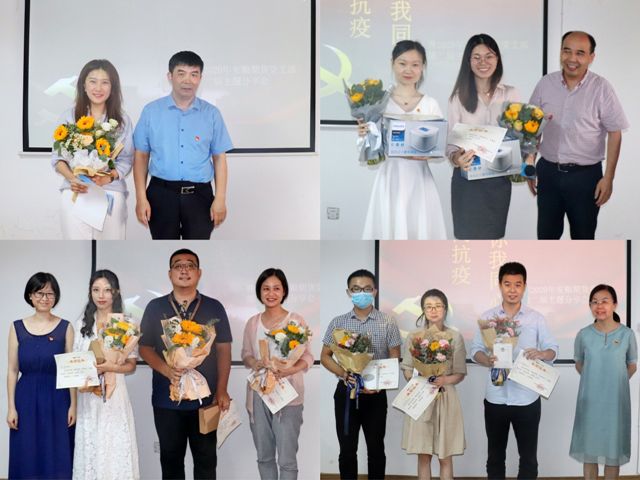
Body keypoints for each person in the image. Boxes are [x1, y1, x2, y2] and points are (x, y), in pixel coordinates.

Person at [139, 248, 232, 479]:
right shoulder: (155, 307)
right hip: (166, 399)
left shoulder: (214, 307)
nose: (184, 270)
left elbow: (224, 349)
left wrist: (221, 390)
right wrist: (166, 369)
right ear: (170, 273)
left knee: (206, 462)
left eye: (190, 265)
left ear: (199, 273)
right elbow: (144, 347)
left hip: (206, 400)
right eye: (178, 265)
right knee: (171, 463)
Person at [528, 31, 629, 239]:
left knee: (583, 240)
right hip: (548, 173)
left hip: (586, 178)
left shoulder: (601, 88)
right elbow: (533, 127)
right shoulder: (545, 84)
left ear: (591, 57)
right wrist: (529, 163)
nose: (572, 58)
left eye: (580, 53)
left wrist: (608, 178)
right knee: (546, 239)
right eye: (567, 51)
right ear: (560, 53)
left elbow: (615, 133)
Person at [470, 261, 558, 479]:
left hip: (527, 398)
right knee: (495, 457)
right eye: (507, 284)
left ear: (524, 286)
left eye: (518, 284)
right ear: (500, 285)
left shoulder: (536, 318)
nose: (512, 290)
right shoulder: (488, 318)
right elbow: (475, 351)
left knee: (528, 458)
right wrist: (487, 360)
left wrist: (542, 354)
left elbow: (553, 349)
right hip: (495, 397)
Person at [133, 51, 233, 240]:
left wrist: (220, 198)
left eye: (194, 74)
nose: (188, 80)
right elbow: (141, 156)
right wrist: (140, 198)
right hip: (161, 194)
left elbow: (219, 158)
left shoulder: (211, 114)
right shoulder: (151, 111)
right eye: (181, 73)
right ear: (170, 76)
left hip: (200, 196)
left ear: (200, 78)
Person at [359, 40, 447, 240]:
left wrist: (427, 155)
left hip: (419, 179)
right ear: (392, 63)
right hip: (390, 177)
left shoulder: (431, 104)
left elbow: (439, 149)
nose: (408, 70)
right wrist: (365, 135)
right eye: (402, 63)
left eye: (415, 64)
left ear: (423, 67)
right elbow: (372, 149)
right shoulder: (378, 103)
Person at [320, 269, 402, 479]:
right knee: (347, 450)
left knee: (376, 449)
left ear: (374, 291)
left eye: (366, 289)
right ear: (349, 292)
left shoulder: (388, 321)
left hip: (375, 396)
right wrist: (343, 373)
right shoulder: (338, 323)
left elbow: (395, 357)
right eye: (356, 289)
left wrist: (380, 382)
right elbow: (325, 357)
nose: (361, 293)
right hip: (346, 394)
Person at [241, 268, 314, 480]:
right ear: (259, 292)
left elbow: (308, 356)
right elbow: (246, 354)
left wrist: (290, 369)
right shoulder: (252, 322)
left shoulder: (296, 321)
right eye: (266, 289)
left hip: (287, 393)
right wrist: (255, 363)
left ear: (284, 292)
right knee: (264, 457)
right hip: (258, 393)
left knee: (287, 459)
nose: (271, 293)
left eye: (276, 288)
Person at [51, 59, 134, 240]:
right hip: (75, 189)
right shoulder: (69, 116)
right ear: (84, 85)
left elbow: (126, 159)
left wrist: (108, 177)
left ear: (113, 87)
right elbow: (58, 159)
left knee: (112, 246)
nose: (98, 88)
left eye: (105, 82)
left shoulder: (122, 121)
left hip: (110, 191)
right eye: (93, 81)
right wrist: (73, 179)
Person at [447, 34, 520, 239]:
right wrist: (457, 158)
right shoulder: (457, 97)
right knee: (466, 239)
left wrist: (527, 152)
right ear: (468, 61)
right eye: (476, 57)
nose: (483, 62)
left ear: (497, 59)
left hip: (498, 180)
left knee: (493, 239)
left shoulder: (510, 94)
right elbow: (451, 144)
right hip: (467, 181)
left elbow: (520, 135)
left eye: (489, 56)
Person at [7, 272, 76, 479]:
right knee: (26, 450)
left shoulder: (66, 327)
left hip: (58, 398)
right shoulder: (17, 327)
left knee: (57, 451)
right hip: (25, 398)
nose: (45, 298)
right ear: (30, 295)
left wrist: (73, 405)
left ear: (56, 297)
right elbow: (12, 370)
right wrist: (11, 407)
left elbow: (71, 370)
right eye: (39, 293)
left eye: (50, 294)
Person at [72, 270, 139, 480]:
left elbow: (131, 366)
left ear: (115, 292)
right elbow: (75, 360)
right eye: (96, 290)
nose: (101, 295)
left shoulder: (125, 323)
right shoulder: (82, 324)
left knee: (114, 448)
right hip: (88, 397)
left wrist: (110, 367)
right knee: (91, 448)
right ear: (90, 292)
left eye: (107, 290)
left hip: (115, 396)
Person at [570, 285, 637, 479]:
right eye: (594, 302)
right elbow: (579, 363)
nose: (599, 306)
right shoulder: (584, 334)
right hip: (590, 402)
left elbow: (632, 366)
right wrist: (595, 381)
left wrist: (614, 382)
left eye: (604, 301)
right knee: (589, 452)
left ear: (614, 304)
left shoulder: (627, 334)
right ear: (590, 306)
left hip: (616, 403)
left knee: (612, 453)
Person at [401, 289, 466, 480]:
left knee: (445, 456)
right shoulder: (414, 337)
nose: (433, 310)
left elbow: (460, 372)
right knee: (423, 455)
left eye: (438, 306)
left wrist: (444, 380)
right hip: (420, 399)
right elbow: (407, 368)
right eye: (428, 306)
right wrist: (419, 380)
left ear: (445, 309)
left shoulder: (455, 336)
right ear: (423, 310)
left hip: (446, 397)